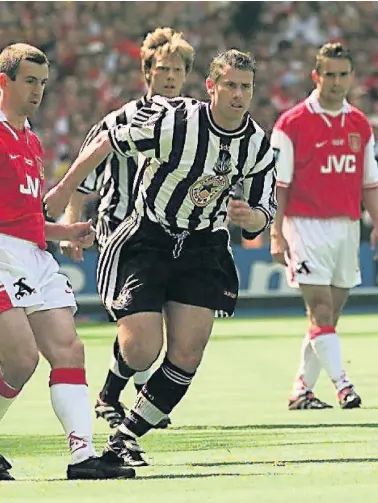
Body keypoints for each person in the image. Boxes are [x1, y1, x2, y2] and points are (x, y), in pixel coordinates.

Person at [44, 49, 276, 465]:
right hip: (149, 237)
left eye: (246, 87)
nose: (238, 94)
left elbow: (264, 211)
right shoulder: (177, 122)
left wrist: (251, 216)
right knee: (141, 350)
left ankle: (126, 436)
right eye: (230, 85)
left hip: (203, 245)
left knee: (188, 351)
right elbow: (107, 141)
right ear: (211, 87)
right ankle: (113, 388)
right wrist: (65, 191)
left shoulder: (257, 145)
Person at [0, 43, 134, 480]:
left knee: (69, 349)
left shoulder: (32, 140)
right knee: (21, 360)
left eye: (43, 82)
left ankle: (82, 457)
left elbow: (24, 216)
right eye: (29, 81)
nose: (38, 90)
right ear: (4, 82)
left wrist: (64, 232)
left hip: (34, 256)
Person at [61, 28, 195, 443]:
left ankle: (123, 395)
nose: (170, 77)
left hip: (176, 240)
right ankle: (120, 394)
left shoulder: (197, 123)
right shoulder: (118, 122)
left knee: (162, 333)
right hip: (123, 234)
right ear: (146, 73)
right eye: (162, 69)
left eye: (177, 70)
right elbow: (84, 177)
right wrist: (70, 224)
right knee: (139, 328)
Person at [270, 42, 378, 410]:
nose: (336, 82)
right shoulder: (291, 124)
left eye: (343, 75)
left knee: (328, 318)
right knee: (320, 310)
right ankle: (343, 386)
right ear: (316, 76)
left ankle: (301, 390)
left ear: (351, 77)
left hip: (347, 228)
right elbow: (280, 186)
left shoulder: (360, 124)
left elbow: (370, 182)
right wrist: (275, 232)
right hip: (305, 226)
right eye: (330, 75)